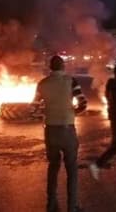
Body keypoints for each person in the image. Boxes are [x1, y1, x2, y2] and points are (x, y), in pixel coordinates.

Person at [32, 55, 87, 212]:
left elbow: (33, 108)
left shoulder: (42, 84)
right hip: (67, 130)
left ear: (51, 67)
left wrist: (45, 114)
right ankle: (72, 206)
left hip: (50, 131)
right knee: (71, 169)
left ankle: (51, 204)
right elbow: (83, 103)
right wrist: (72, 113)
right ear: (63, 66)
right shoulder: (71, 81)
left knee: (53, 167)